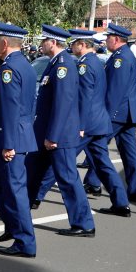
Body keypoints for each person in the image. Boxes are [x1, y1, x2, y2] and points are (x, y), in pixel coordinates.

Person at [26, 24, 95, 237]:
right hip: (45, 132)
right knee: (32, 171)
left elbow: (62, 104)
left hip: (59, 135)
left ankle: (84, 224)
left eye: (43, 41)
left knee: (67, 179)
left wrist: (53, 136)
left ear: (53, 43)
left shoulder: (63, 66)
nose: (41, 44)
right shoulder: (54, 63)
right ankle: (20, 213)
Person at [0, 22, 37, 258]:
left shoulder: (9, 69)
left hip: (10, 138)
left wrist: (9, 144)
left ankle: (25, 242)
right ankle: (13, 225)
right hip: (15, 134)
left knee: (15, 190)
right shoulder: (24, 64)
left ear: (4, 43)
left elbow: (10, 109)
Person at [84, 23, 136, 203]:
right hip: (127, 113)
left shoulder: (121, 59)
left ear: (117, 39)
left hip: (117, 113)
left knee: (95, 145)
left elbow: (115, 91)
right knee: (129, 152)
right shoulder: (123, 55)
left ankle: (94, 182)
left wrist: (104, 115)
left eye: (108, 37)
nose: (106, 40)